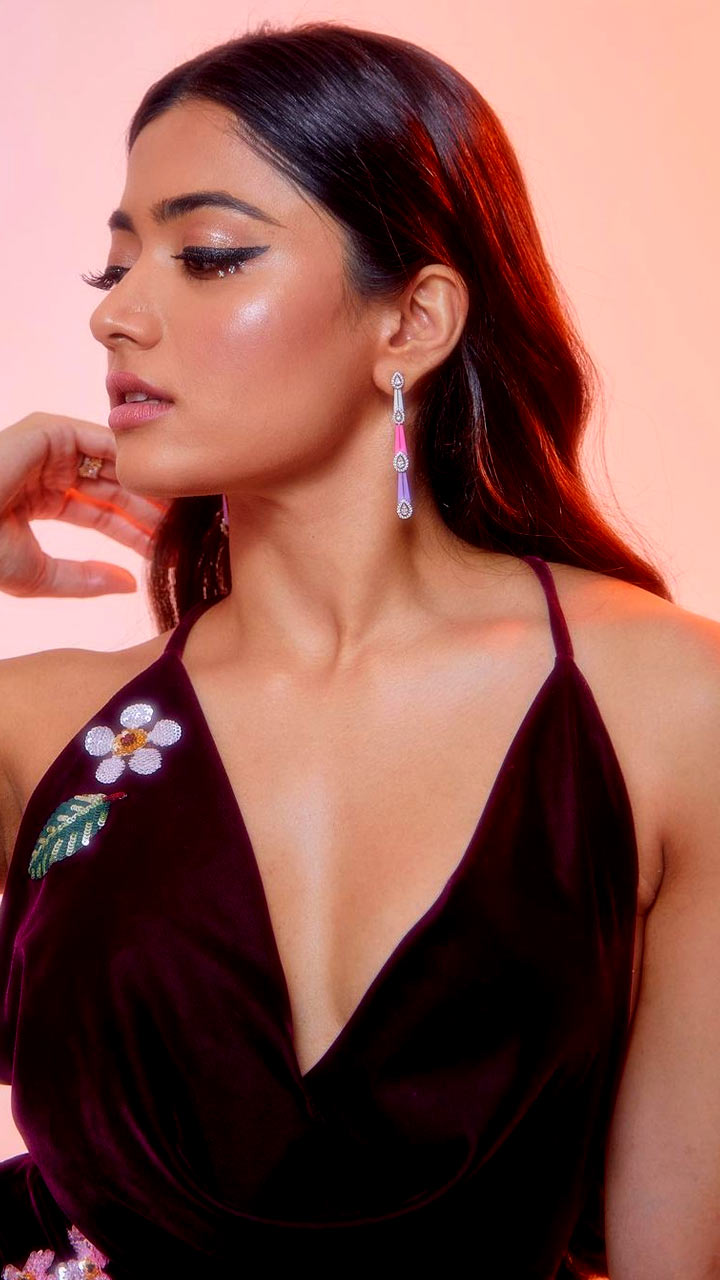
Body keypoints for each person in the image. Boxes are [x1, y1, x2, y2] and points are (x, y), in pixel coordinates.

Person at [0, 19, 718, 1280]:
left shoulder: (666, 706)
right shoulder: (35, 728)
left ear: (414, 321)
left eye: (207, 256)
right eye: (111, 268)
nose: (117, 314)